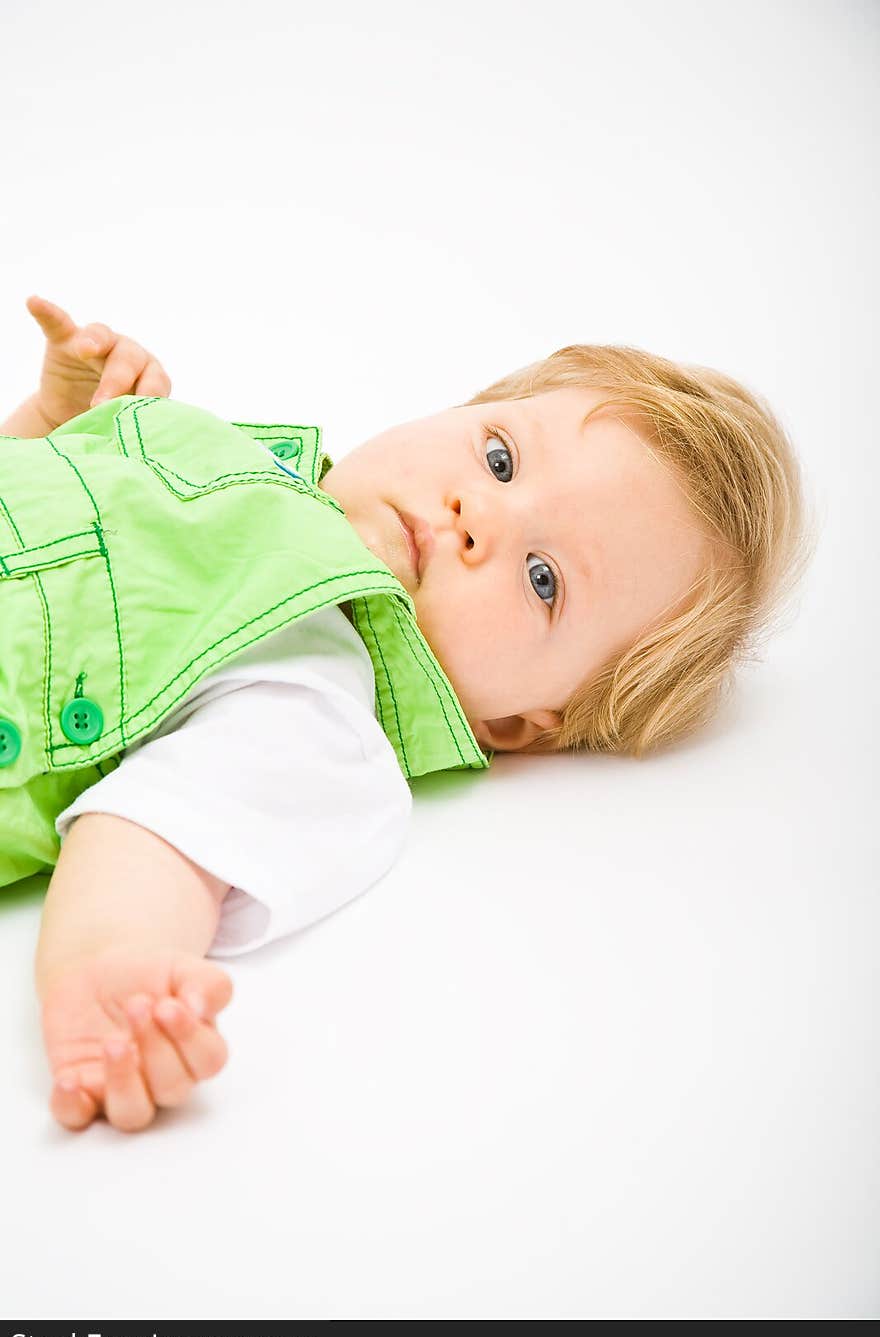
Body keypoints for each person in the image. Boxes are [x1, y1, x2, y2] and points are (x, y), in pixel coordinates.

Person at [0, 296, 815, 1134]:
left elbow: (149, 842)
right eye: (499, 458)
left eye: (544, 579)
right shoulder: (229, 460)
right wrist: (53, 425)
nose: (480, 515)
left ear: (515, 724)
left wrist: (111, 970)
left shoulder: (308, 691)